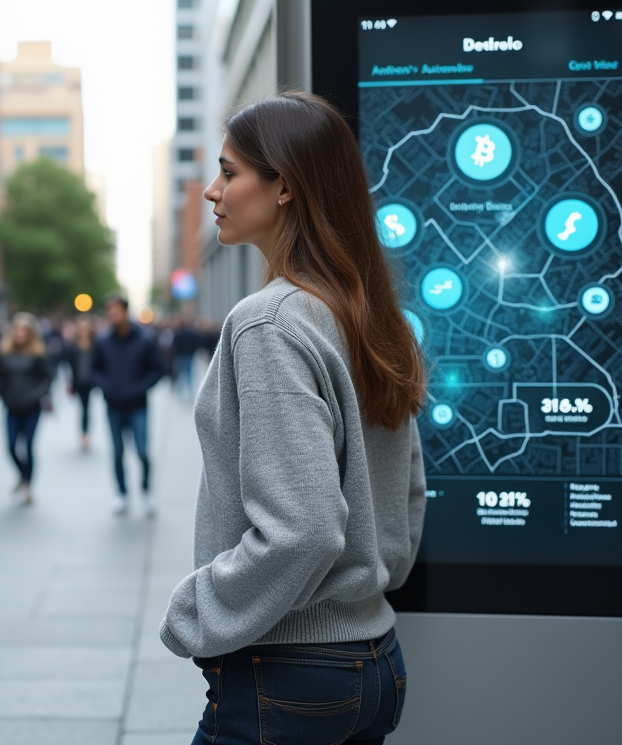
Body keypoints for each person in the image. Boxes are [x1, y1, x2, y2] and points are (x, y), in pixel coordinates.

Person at [159, 94, 427, 745]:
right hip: (373, 663)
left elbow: (303, 530)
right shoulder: (361, 312)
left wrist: (197, 609)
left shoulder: (269, 322)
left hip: (287, 675)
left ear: (284, 186)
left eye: (230, 172)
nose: (214, 192)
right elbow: (408, 497)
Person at [92, 295, 167, 516]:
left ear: (125, 312)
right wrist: (106, 386)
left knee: (142, 451)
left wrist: (140, 387)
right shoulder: (103, 341)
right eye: (109, 312)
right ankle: (121, 494)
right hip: (113, 406)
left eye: (116, 312)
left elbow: (159, 368)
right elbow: (94, 369)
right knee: (117, 452)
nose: (112, 316)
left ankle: (146, 491)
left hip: (138, 406)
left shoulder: (144, 340)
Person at [0, 313, 52, 506]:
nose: (20, 334)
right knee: (11, 446)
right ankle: (22, 474)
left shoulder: (37, 353)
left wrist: (36, 395)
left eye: (24, 331)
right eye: (17, 330)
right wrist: (3, 394)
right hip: (11, 406)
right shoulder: (5, 352)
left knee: (28, 446)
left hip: (31, 407)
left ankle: (28, 484)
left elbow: (47, 378)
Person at [65, 315, 98, 451]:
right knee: (84, 408)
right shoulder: (73, 346)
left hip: (92, 381)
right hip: (79, 382)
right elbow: (69, 366)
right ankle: (84, 433)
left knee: (87, 408)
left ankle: (85, 432)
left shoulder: (96, 345)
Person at [171, 316, 200, 400]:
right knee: (189, 374)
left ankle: (180, 392)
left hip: (180, 355)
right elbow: (196, 343)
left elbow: (174, 345)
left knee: (180, 374)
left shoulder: (177, 333)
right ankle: (190, 391)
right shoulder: (191, 333)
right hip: (189, 355)